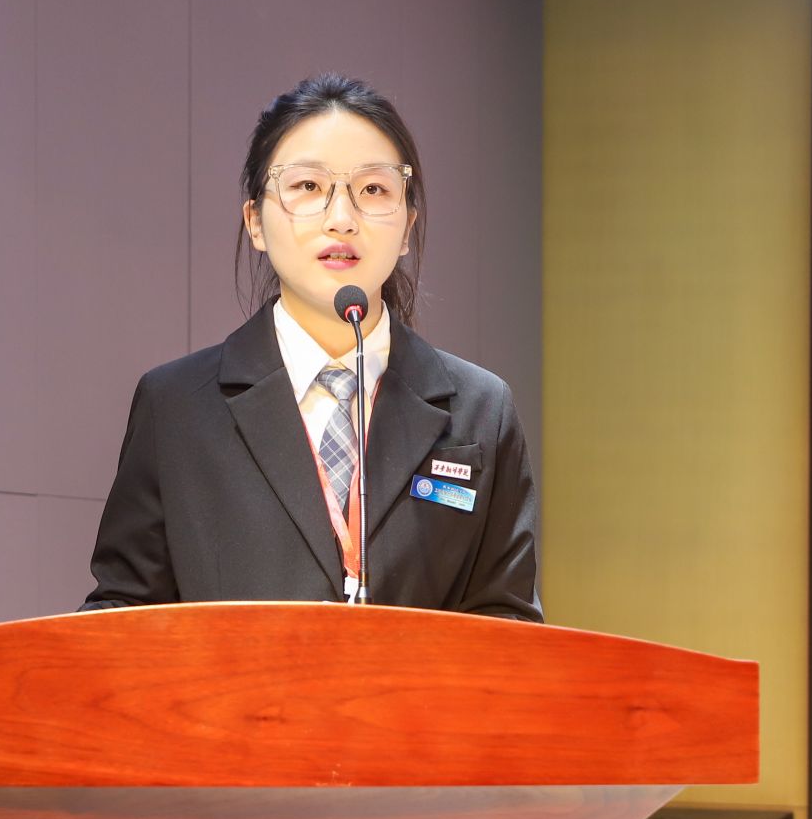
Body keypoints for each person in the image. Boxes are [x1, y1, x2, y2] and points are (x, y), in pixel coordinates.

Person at [81, 72, 541, 621]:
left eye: (374, 190)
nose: (341, 219)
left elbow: (508, 623)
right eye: (307, 187)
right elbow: (124, 615)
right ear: (255, 221)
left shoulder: (481, 409)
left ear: (407, 228)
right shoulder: (177, 406)